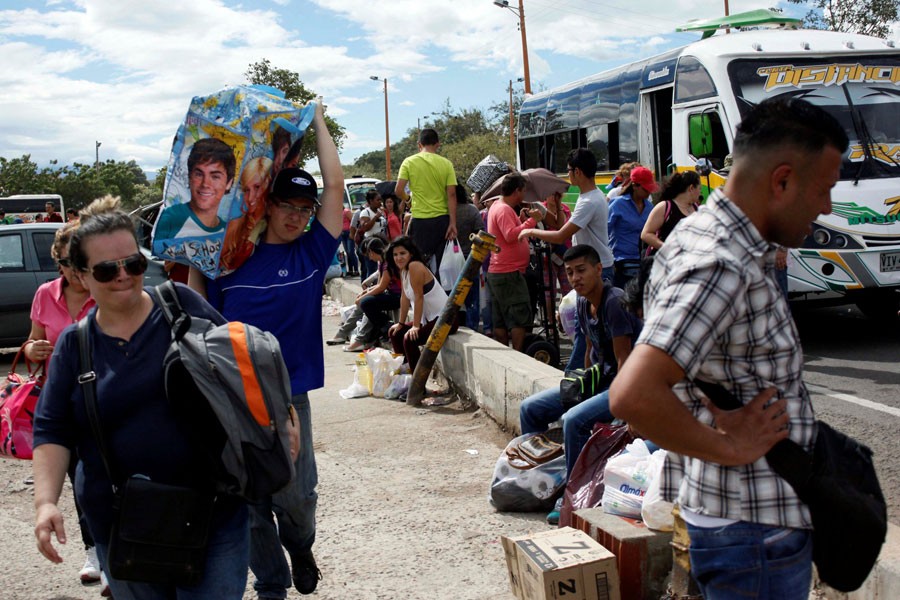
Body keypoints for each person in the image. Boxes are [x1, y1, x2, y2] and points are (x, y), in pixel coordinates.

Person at [609, 97, 849, 600]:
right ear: (781, 181)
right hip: (753, 534)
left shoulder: (706, 238)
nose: (827, 206)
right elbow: (633, 394)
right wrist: (729, 447)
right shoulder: (720, 262)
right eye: (825, 188)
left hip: (746, 526)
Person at [32, 196, 256, 599]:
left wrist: (283, 418)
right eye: (106, 269)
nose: (123, 276)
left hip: (214, 515)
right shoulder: (74, 345)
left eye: (133, 264)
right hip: (122, 526)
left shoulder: (182, 308)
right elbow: (52, 429)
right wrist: (46, 503)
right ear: (81, 277)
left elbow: (246, 365)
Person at [195, 100, 342, 598]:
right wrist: (198, 248)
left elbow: (337, 188)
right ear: (268, 206)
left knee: (296, 497)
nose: (298, 217)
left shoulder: (312, 252)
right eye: (288, 207)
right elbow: (197, 310)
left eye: (306, 209)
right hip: (233, 398)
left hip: (288, 396)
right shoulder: (232, 256)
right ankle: (271, 585)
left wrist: (317, 120)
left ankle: (300, 546)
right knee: (251, 499)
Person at [519, 246, 643, 505]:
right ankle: (541, 479)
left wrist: (624, 409)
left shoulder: (614, 302)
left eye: (581, 270)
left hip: (625, 385)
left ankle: (574, 496)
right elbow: (589, 350)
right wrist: (580, 387)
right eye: (570, 272)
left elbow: (625, 360)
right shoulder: (583, 303)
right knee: (530, 408)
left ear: (599, 269)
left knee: (574, 420)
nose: (575, 278)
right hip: (598, 381)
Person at [24, 220, 101, 588]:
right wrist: (31, 349)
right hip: (62, 402)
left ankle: (116, 551)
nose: (78, 271)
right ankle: (94, 552)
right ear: (60, 262)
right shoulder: (44, 294)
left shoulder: (104, 288)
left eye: (82, 262)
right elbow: (31, 342)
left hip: (104, 399)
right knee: (81, 481)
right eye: (71, 263)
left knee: (107, 475)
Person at [518, 149, 614, 369]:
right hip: (594, 266)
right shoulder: (590, 196)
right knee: (585, 328)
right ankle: (579, 376)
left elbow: (562, 234)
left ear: (578, 172)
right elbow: (563, 226)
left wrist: (531, 232)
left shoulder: (589, 200)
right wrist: (542, 213)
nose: (568, 175)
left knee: (587, 329)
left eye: (569, 171)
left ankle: (572, 377)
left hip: (596, 270)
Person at [486, 173, 543, 351]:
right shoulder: (503, 209)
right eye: (524, 191)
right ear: (517, 190)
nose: (524, 195)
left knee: (501, 318)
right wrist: (534, 221)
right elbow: (511, 235)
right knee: (517, 316)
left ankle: (506, 354)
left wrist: (521, 220)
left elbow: (506, 233)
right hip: (508, 272)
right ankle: (517, 354)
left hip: (501, 271)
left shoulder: (499, 206)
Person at [387, 236, 455, 372]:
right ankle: (405, 372)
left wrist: (416, 326)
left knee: (410, 339)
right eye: (395, 255)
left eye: (402, 253)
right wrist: (400, 324)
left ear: (411, 254)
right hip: (429, 319)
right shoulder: (404, 270)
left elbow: (419, 297)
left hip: (446, 319)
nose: (398, 258)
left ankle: (418, 384)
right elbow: (404, 298)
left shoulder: (415, 266)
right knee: (395, 333)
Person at [395, 128, 458, 275]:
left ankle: (421, 295)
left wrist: (408, 199)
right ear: (437, 144)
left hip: (420, 221)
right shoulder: (446, 163)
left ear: (419, 144)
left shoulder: (409, 162)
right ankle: (443, 296)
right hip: (442, 221)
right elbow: (452, 194)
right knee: (443, 265)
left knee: (418, 263)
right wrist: (453, 223)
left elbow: (398, 190)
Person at [154, 137, 236, 240]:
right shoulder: (171, 217)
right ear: (189, 177)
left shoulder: (228, 232)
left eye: (215, 176)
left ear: (229, 183)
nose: (205, 184)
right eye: (199, 174)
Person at [342, 237, 402, 352]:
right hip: (391, 293)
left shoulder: (387, 263)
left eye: (369, 254)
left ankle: (386, 327)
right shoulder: (382, 263)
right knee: (365, 301)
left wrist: (363, 297)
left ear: (372, 252)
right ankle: (380, 330)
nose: (369, 258)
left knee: (366, 303)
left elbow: (381, 287)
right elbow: (379, 284)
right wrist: (364, 293)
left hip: (398, 296)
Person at [220, 156, 273, 271]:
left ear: (267, 183)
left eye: (257, 187)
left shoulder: (275, 224)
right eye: (246, 190)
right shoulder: (234, 224)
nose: (250, 198)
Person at [607, 165, 656, 288]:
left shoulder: (650, 207)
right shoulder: (618, 204)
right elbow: (604, 231)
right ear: (634, 186)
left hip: (643, 262)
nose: (649, 192)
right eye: (646, 189)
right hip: (621, 262)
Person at [640, 170, 701, 257]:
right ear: (691, 188)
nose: (700, 193)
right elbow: (646, 234)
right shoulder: (664, 207)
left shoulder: (697, 208)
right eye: (699, 189)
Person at [454, 183, 485, 331]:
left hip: (450, 260)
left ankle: (453, 324)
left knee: (453, 295)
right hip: (470, 258)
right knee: (472, 296)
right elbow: (481, 232)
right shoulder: (472, 210)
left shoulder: (446, 212)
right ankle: (472, 326)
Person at [357, 190, 386, 277]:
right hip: (370, 244)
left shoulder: (381, 211)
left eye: (380, 200)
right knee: (371, 269)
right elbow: (365, 228)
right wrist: (375, 217)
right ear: (371, 201)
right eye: (378, 200)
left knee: (380, 268)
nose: (380, 202)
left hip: (380, 243)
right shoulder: (365, 212)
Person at [341, 204, 359, 276]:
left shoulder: (346, 211)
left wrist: (353, 233)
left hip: (348, 233)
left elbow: (353, 222)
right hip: (342, 234)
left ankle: (356, 270)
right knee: (347, 253)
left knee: (351, 251)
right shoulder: (338, 213)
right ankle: (350, 270)